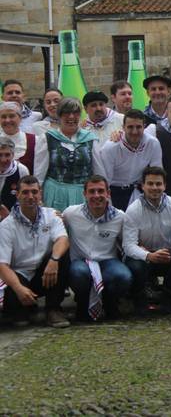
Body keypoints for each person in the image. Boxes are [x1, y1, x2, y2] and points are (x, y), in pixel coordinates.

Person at [123, 166, 171, 315]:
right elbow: (128, 245)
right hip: (142, 255)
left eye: (158, 184)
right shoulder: (133, 209)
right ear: (142, 186)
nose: (154, 187)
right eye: (150, 183)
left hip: (166, 253)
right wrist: (148, 255)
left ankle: (168, 297)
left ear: (165, 186)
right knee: (135, 266)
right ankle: (139, 298)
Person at [0, 175, 70, 327]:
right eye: (25, 192)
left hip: (45, 274)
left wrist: (54, 260)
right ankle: (24, 307)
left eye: (34, 192)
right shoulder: (6, 225)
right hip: (19, 276)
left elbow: (63, 239)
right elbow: (2, 265)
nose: (30, 196)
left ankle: (53, 309)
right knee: (20, 321)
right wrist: (19, 288)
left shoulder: (51, 215)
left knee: (62, 254)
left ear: (40, 193)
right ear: (17, 195)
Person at [64, 176, 131, 321]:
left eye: (100, 191)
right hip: (81, 261)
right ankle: (82, 304)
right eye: (92, 191)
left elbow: (127, 243)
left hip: (107, 261)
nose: (96, 195)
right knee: (78, 273)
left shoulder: (120, 217)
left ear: (108, 193)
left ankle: (110, 303)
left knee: (123, 276)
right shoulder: (70, 214)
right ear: (84, 194)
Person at [35, 98, 104, 211]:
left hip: (82, 194)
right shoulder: (47, 138)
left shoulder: (90, 139)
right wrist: (38, 197)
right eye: (66, 113)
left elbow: (99, 172)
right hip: (54, 193)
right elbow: (39, 173)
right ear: (59, 115)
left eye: (75, 113)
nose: (71, 117)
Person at [99, 109, 163, 210]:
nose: (134, 131)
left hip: (139, 191)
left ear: (144, 127)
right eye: (130, 127)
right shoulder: (110, 148)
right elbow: (105, 180)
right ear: (123, 127)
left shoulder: (152, 143)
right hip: (115, 192)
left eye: (138, 127)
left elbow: (157, 173)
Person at [0, 101, 44, 174]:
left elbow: (40, 170)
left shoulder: (35, 140)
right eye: (3, 117)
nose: (7, 120)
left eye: (11, 116)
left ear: (20, 118)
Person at [0, 138, 29, 219]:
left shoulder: (21, 170)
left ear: (13, 155)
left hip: (13, 217)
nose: (3, 160)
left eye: (7, 155)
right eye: (0, 155)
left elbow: (26, 197)